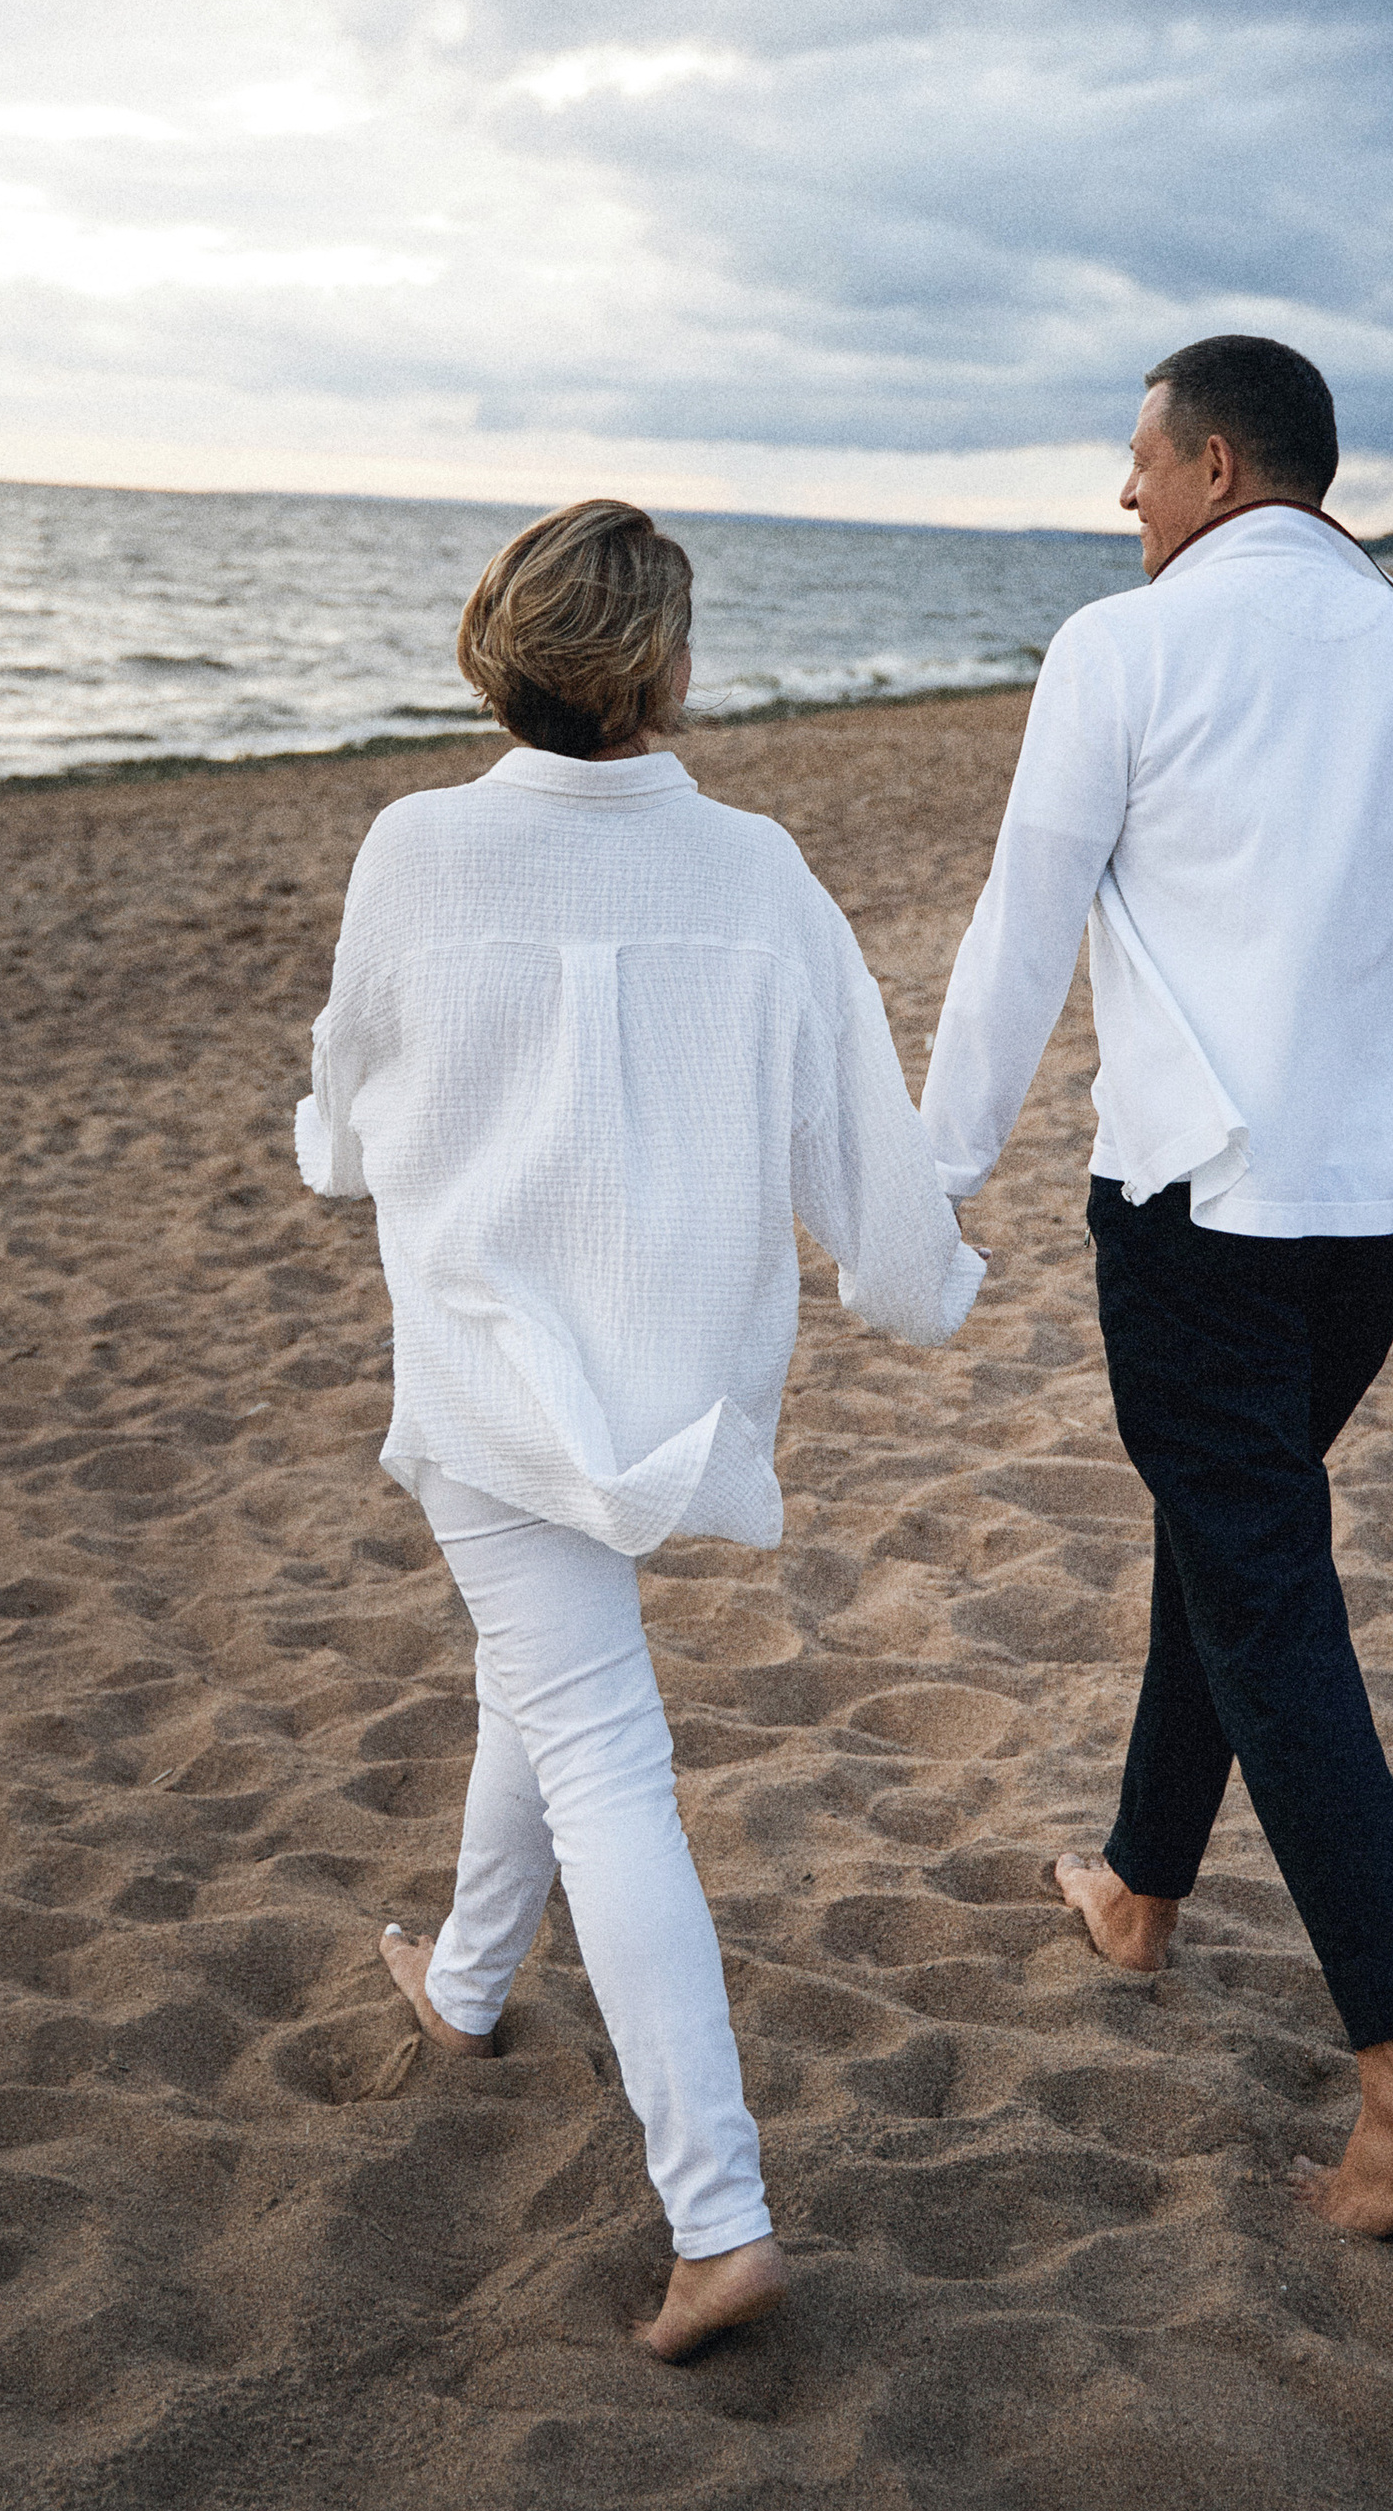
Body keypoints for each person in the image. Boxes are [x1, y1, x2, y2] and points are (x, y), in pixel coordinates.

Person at [919, 337, 1393, 2236]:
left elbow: (1021, 923)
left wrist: (928, 1179)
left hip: (1200, 1216)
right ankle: (1143, 1888)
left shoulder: (1121, 650)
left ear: (1219, 463)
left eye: (1139, 466)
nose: (1124, 500)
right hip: (1380, 1226)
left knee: (1261, 1582)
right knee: (1236, 1545)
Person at [295, 500, 982, 2356]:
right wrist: (924, 1288)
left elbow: (347, 1093)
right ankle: (458, 1984)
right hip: (665, 1385)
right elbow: (861, 1127)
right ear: (668, 671)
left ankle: (721, 2216)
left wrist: (345, 1155)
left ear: (498, 644)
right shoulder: (757, 868)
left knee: (598, 1738)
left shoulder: (418, 846)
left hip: (487, 1369)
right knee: (552, 1678)